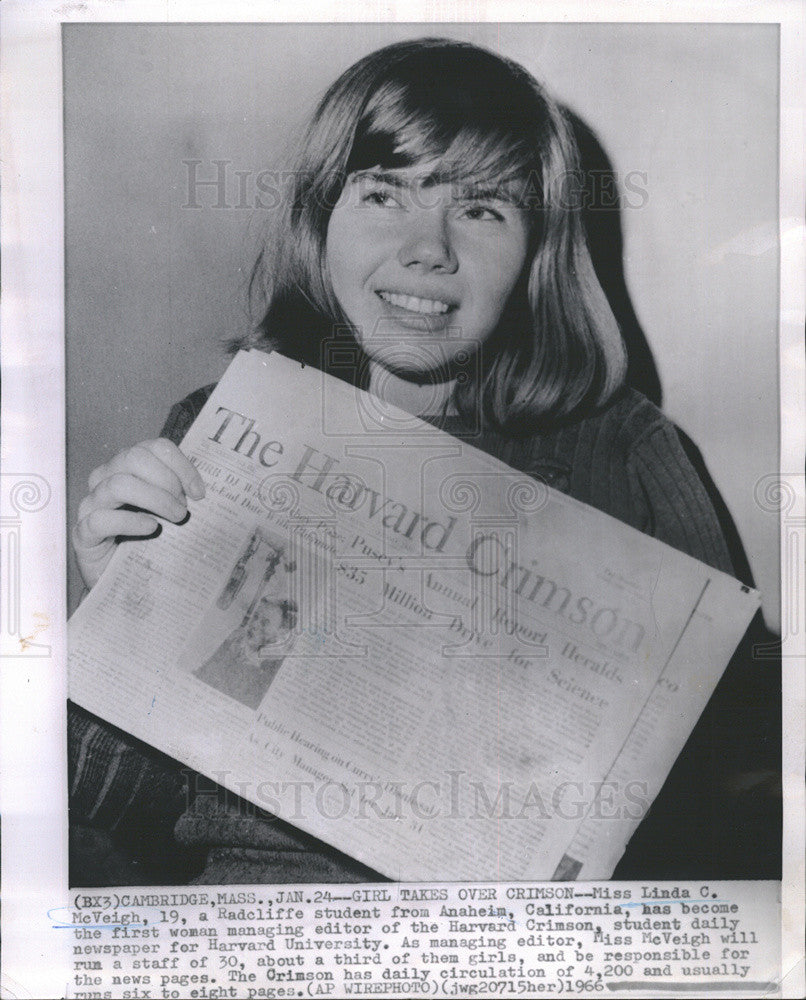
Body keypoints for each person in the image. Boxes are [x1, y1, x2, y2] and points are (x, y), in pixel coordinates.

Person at [69, 38, 776, 886]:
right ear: (320, 219)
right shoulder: (220, 429)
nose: (427, 247)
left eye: (482, 210)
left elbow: (742, 781)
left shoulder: (626, 454)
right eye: (383, 194)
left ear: (537, 252)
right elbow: (123, 820)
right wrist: (115, 605)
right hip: (256, 921)